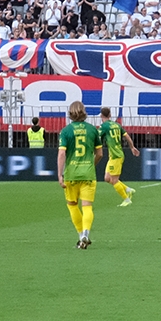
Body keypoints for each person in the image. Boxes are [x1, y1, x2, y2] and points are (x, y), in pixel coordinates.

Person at [57, 101, 103, 249]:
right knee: (87, 206)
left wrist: (60, 174)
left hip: (71, 174)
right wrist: (91, 164)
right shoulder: (92, 130)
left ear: (70, 113)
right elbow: (100, 154)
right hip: (88, 174)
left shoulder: (66, 131)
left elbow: (62, 153)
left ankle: (80, 235)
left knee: (72, 205)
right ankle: (86, 233)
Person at [99, 107, 140, 207]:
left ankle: (126, 199)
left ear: (101, 116)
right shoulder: (117, 125)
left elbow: (97, 137)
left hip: (116, 156)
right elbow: (126, 136)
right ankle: (128, 190)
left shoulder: (104, 126)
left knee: (114, 180)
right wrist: (132, 147)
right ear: (110, 115)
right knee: (107, 178)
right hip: (115, 155)